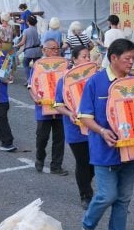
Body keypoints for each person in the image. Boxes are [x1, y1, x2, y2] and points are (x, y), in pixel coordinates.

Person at [79, 38, 134, 230]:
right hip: (104, 149)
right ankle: (88, 224)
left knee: (123, 199)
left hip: (129, 150)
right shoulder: (95, 82)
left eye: (133, 58)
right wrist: (102, 131)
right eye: (127, 58)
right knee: (107, 195)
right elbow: (84, 116)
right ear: (113, 58)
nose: (131, 62)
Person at [55, 46, 95, 206]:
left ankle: (87, 187)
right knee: (83, 161)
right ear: (74, 59)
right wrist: (69, 113)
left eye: (89, 56)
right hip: (75, 129)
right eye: (84, 56)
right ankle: (85, 195)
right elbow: (58, 105)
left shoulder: (94, 78)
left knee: (94, 163)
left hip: (93, 128)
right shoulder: (64, 80)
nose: (88, 59)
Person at [34, 40, 68, 176]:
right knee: (42, 138)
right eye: (53, 48)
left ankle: (56, 166)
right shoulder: (38, 65)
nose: (56, 51)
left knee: (59, 139)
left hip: (60, 109)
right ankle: (39, 158)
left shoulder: (64, 65)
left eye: (57, 48)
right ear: (44, 50)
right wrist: (35, 98)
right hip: (43, 109)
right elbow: (31, 85)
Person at [17, 15, 43, 84]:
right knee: (36, 66)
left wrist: (16, 45)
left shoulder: (26, 31)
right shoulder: (37, 30)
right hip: (38, 51)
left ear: (28, 22)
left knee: (25, 64)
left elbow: (22, 42)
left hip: (29, 51)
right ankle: (35, 80)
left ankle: (29, 80)